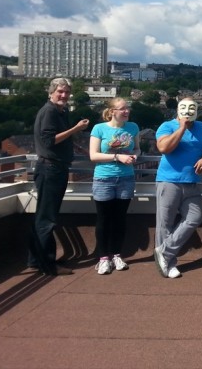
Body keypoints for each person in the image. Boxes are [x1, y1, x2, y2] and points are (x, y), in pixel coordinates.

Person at [28, 77, 89, 276]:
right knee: (48, 219)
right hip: (50, 169)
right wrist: (76, 129)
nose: (64, 95)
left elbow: (59, 139)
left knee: (43, 217)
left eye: (66, 92)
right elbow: (49, 141)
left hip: (54, 168)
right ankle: (48, 265)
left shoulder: (59, 112)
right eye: (60, 92)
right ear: (51, 92)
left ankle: (35, 260)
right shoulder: (50, 111)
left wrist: (75, 141)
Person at [153, 98, 202, 279]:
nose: (188, 111)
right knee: (165, 224)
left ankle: (164, 253)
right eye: (184, 108)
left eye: (192, 108)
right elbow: (164, 148)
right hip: (169, 181)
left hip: (191, 182)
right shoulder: (166, 126)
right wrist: (181, 127)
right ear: (177, 109)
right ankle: (169, 264)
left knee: (195, 217)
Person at [89, 98, 140, 275]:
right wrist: (117, 157)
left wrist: (134, 155)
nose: (126, 111)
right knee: (104, 218)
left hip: (126, 178)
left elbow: (138, 148)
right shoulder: (99, 128)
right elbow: (93, 155)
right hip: (104, 178)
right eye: (122, 109)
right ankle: (103, 258)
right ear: (112, 111)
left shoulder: (133, 127)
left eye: (128, 108)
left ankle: (117, 255)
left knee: (120, 218)